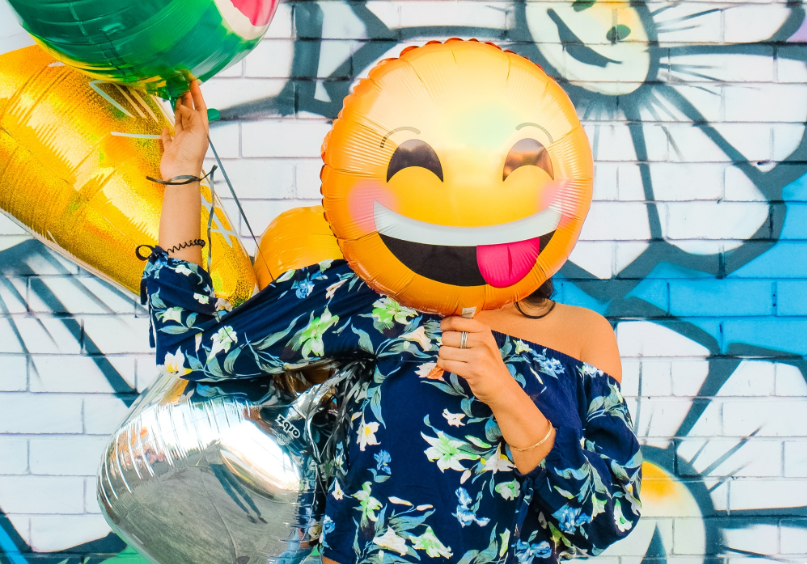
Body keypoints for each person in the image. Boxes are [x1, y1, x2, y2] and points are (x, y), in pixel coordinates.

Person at [144, 81, 641, 564]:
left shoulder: (583, 337)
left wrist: (505, 394)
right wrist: (184, 173)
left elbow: (603, 522)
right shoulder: (374, 295)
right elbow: (191, 347)